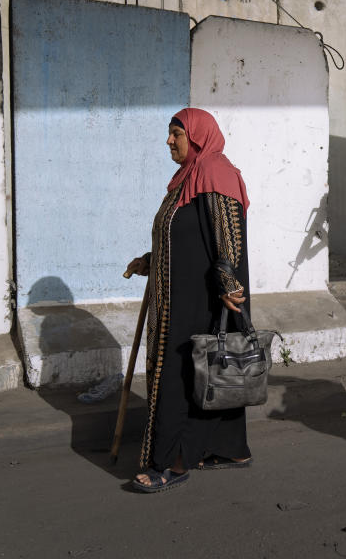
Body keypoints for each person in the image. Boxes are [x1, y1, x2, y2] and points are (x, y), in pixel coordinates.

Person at [124, 108, 253, 493]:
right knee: (207, 372)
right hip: (177, 293)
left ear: (196, 136)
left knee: (184, 375)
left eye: (176, 134)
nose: (169, 141)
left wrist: (230, 284)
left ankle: (172, 461)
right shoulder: (186, 178)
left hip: (200, 300)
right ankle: (229, 447)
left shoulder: (214, 171)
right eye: (170, 133)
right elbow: (184, 237)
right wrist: (149, 262)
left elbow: (227, 235)